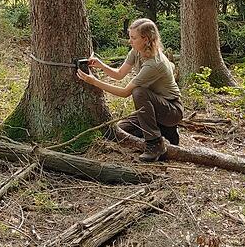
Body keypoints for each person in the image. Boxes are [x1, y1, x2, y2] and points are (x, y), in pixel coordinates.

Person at [77, 18, 183, 162]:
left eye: (133, 38)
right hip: (155, 108)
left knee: (138, 92)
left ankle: (155, 143)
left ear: (145, 39)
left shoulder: (154, 64)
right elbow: (119, 74)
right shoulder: (136, 51)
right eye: (130, 37)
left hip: (171, 111)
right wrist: (101, 65)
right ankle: (165, 131)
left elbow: (125, 92)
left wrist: (94, 82)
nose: (130, 41)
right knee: (119, 130)